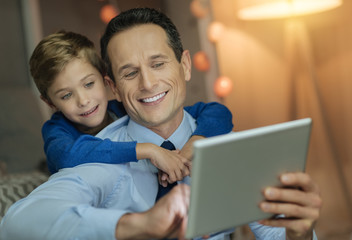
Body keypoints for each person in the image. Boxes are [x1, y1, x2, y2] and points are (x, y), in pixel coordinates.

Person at [0, 8, 322, 240]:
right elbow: (16, 224)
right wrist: (137, 226)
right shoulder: (101, 155)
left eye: (158, 64)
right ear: (113, 86)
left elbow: (278, 233)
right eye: (130, 73)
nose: (148, 83)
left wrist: (300, 232)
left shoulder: (229, 146)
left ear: (184, 65)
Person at [29, 31, 233, 185]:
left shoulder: (121, 108)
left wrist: (196, 143)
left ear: (106, 81)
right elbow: (67, 156)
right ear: (50, 102)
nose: (83, 100)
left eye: (89, 84)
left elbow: (217, 112)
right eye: (66, 95)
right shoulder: (56, 130)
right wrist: (148, 150)